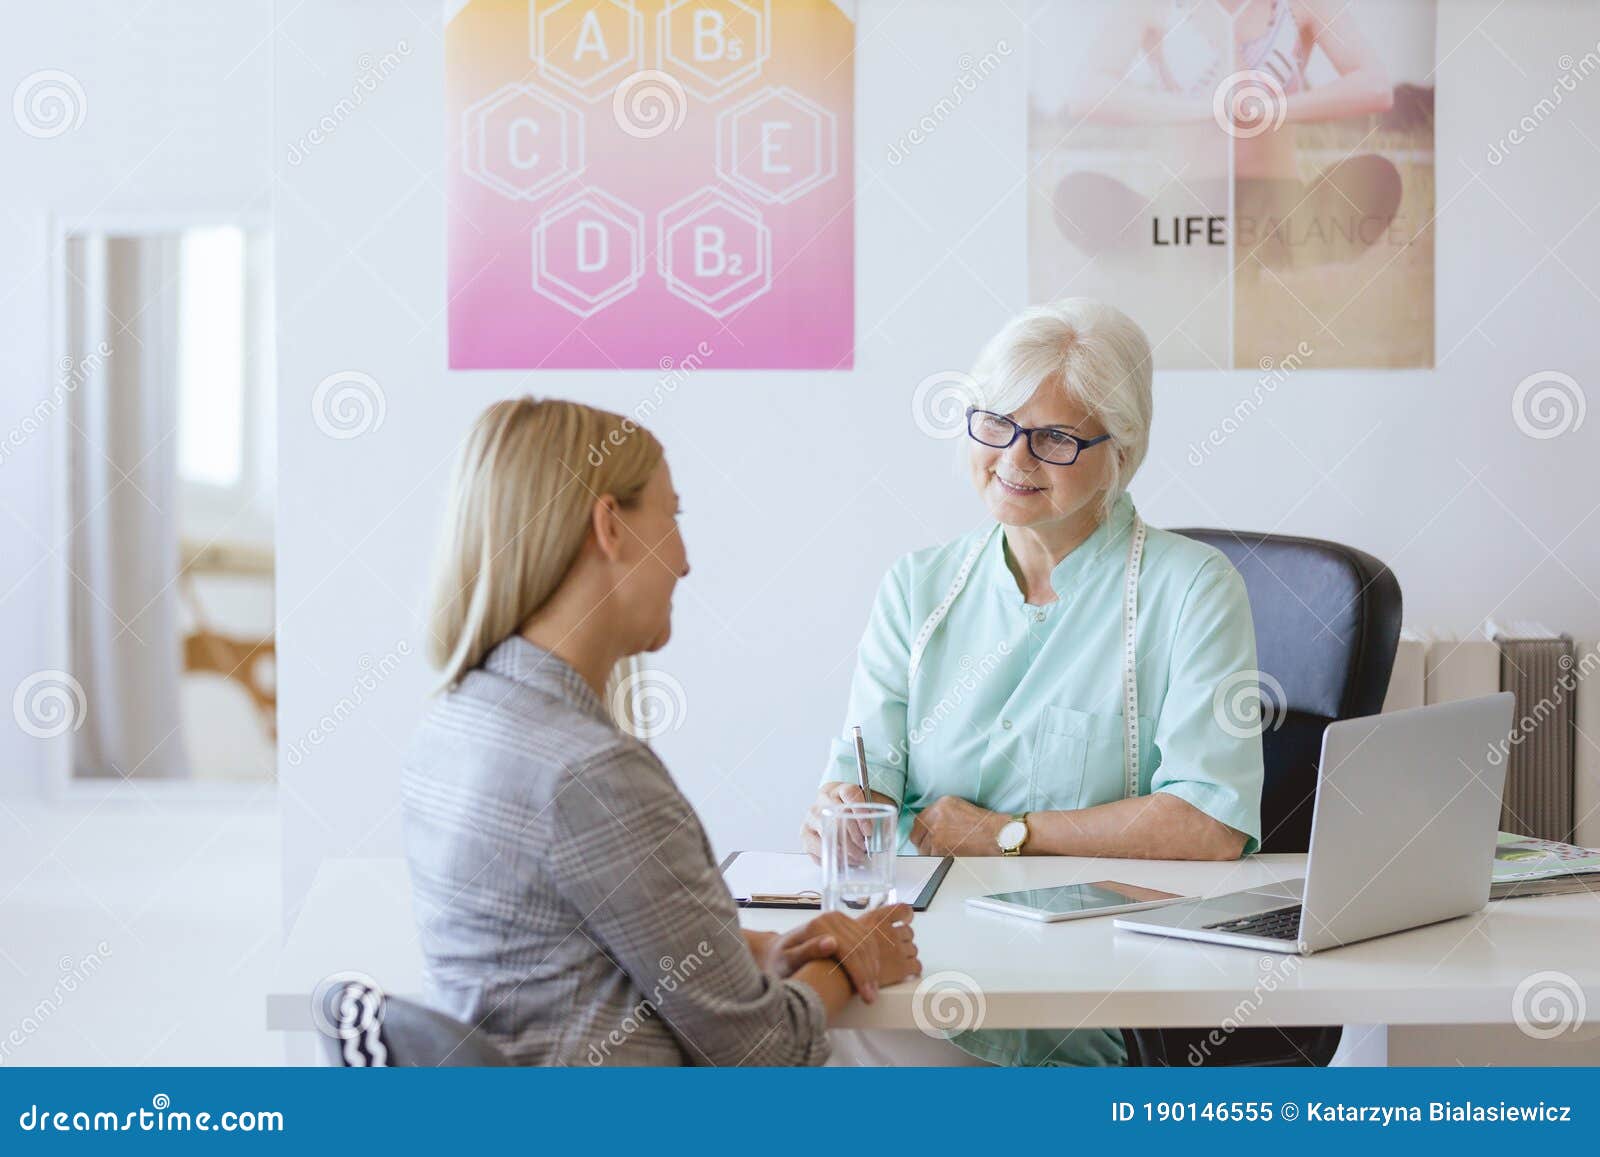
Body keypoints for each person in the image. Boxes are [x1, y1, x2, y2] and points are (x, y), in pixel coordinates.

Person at [802, 298, 1265, 1067]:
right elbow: (864, 785)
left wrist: (1009, 832)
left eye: (1053, 437)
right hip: (917, 954)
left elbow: (1207, 823)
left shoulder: (1191, 589)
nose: (1014, 459)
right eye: (996, 423)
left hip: (1085, 977)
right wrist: (845, 808)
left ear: (1122, 449)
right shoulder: (917, 586)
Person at [404, 398, 920, 1066]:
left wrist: (768, 948)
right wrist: (854, 960)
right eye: (672, 516)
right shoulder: (590, 773)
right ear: (610, 526)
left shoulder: (459, 719)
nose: (684, 560)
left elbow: (576, 952)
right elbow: (768, 1053)